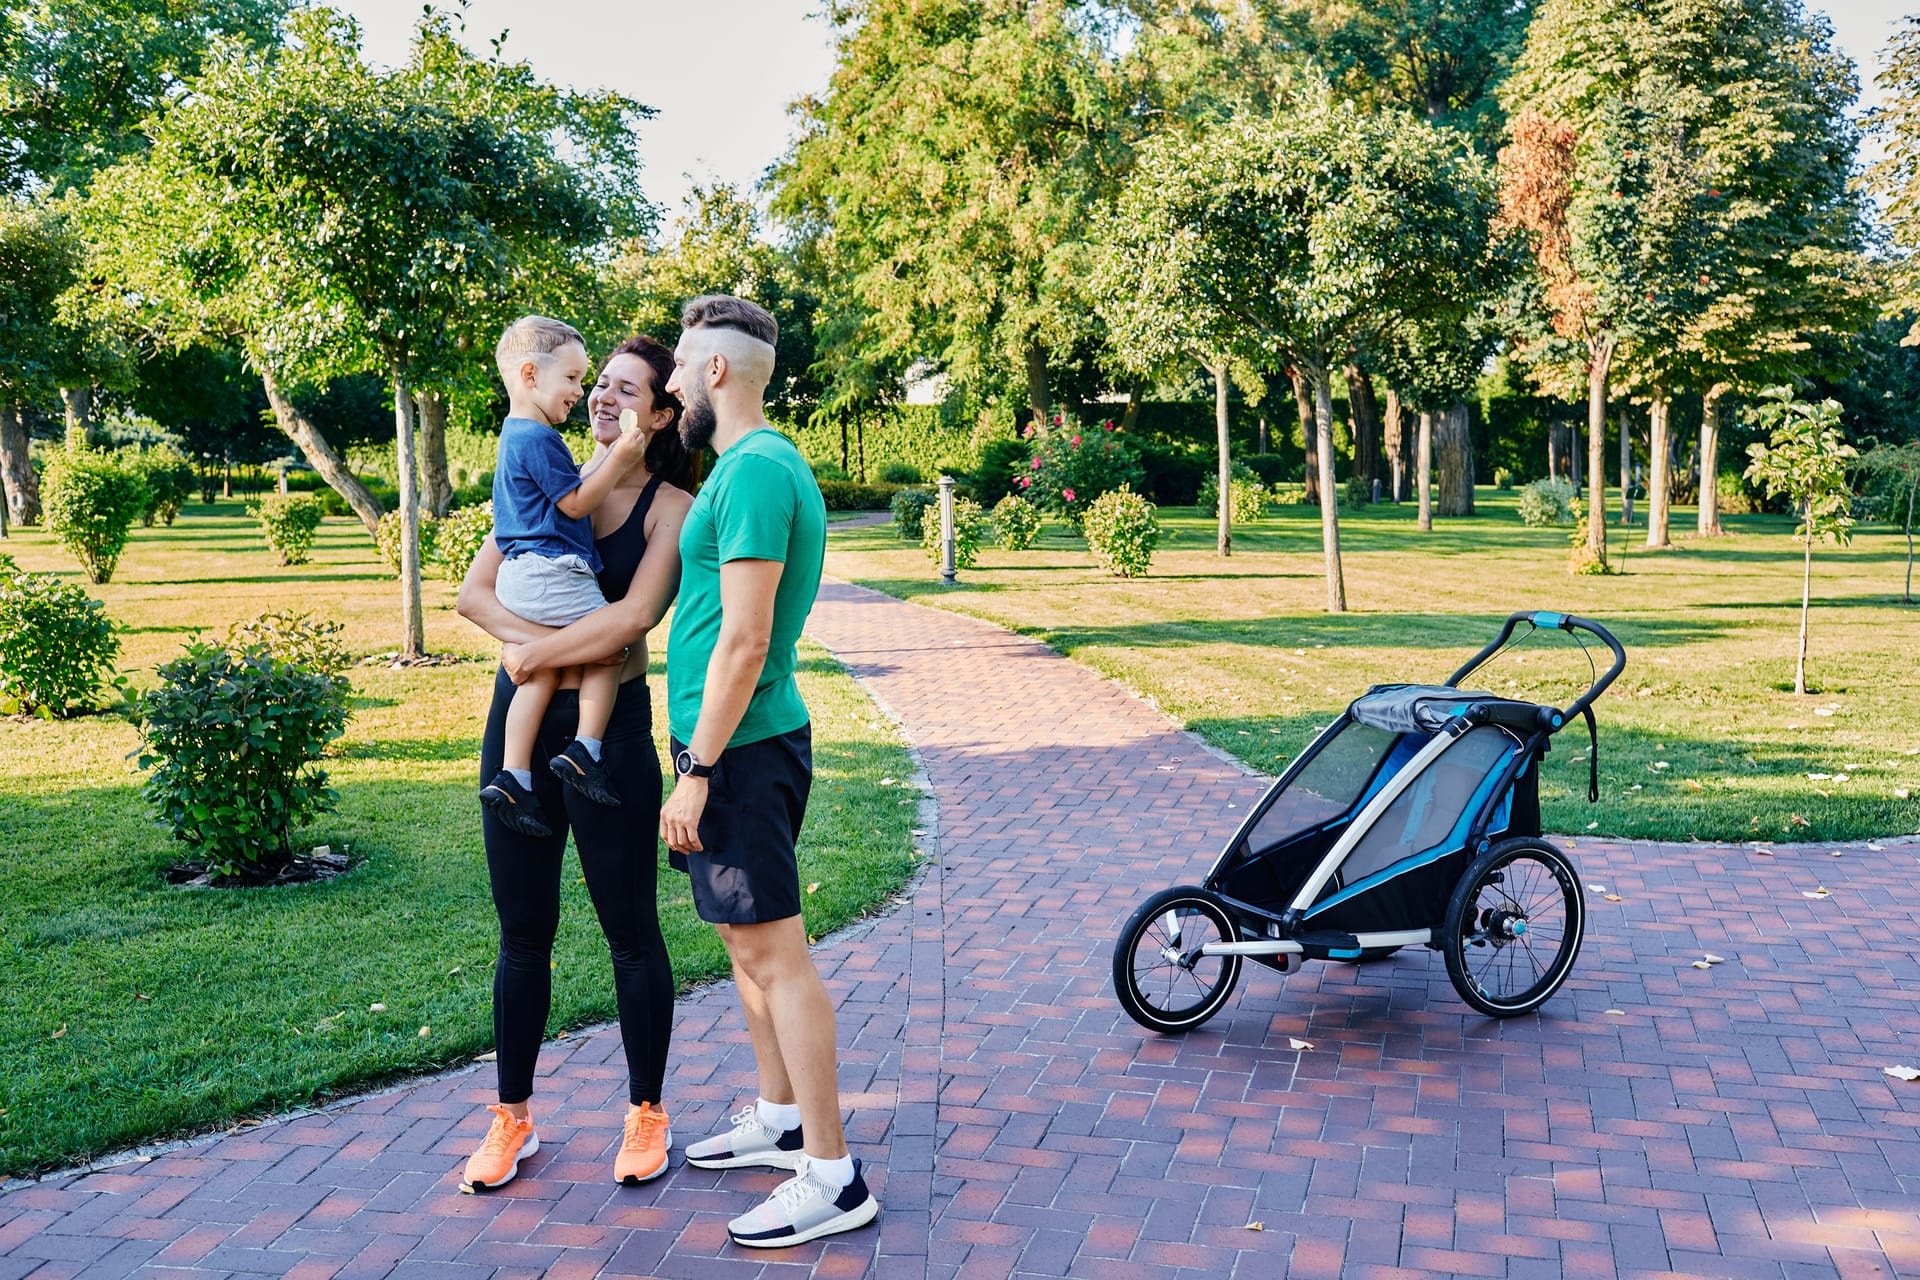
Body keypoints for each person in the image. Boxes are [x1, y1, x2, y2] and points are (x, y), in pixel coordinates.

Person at [659, 295, 880, 1248]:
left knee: (775, 953)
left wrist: (697, 767)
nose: (667, 382)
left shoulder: (754, 471)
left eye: (676, 364)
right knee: (745, 946)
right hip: (728, 749)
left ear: (716, 372)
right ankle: (781, 1117)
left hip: (740, 752)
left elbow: (746, 641)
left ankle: (832, 1174)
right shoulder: (748, 468)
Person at [454, 335, 694, 1193]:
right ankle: (512, 1118)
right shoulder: (542, 478)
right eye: (599, 386)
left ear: (662, 415)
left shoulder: (672, 506)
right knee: (522, 933)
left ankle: (646, 1111)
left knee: (630, 933)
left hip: (609, 739)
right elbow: (473, 595)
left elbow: (633, 617)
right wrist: (542, 657)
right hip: (518, 728)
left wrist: (532, 654)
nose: (603, 399)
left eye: (627, 392)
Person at [478, 315, 650, 838]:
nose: (581, 391)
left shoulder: (515, 435)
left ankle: (514, 773)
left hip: (521, 574)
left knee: (542, 668)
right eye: (575, 379)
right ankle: (587, 749)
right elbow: (575, 502)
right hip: (551, 570)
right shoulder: (541, 438)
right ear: (531, 374)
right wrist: (619, 458)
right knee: (609, 645)